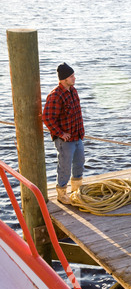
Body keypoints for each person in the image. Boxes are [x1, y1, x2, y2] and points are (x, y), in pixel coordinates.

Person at [42, 62, 85, 204]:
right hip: (65, 141)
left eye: (74, 75)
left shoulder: (73, 91)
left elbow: (77, 114)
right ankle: (62, 195)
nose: (74, 78)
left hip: (77, 136)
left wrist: (80, 132)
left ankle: (76, 191)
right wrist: (60, 133)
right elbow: (47, 118)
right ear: (64, 79)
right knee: (65, 167)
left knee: (79, 163)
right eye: (72, 76)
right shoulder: (55, 96)